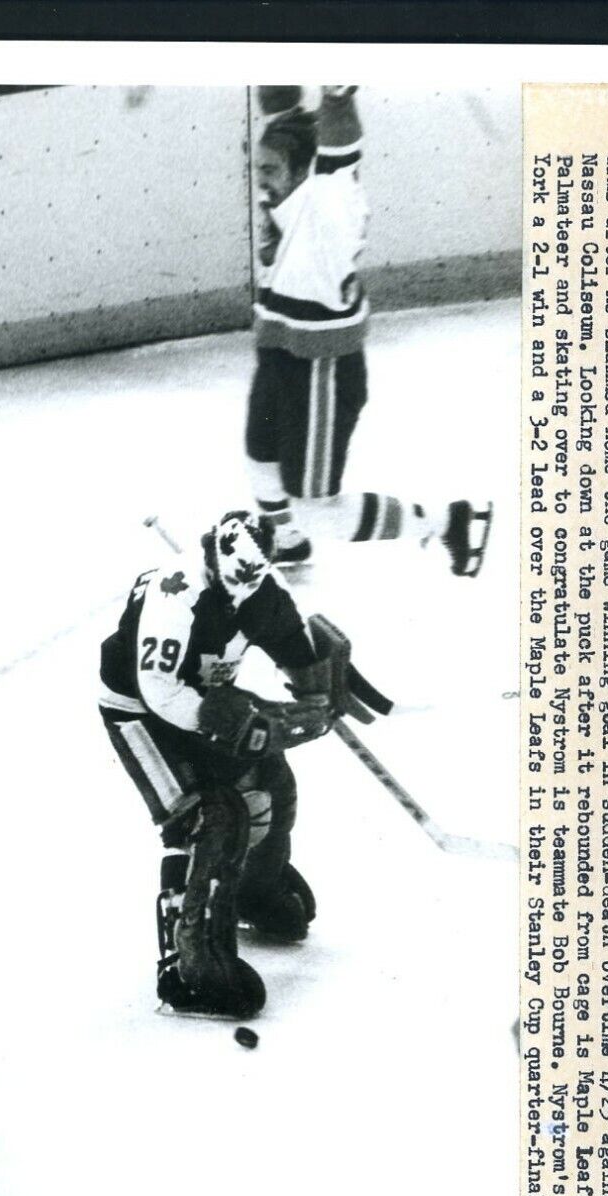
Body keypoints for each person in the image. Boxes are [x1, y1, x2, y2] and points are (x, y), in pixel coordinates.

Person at [99, 508, 362, 1021]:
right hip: (139, 713)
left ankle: (252, 891)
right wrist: (232, 721)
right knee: (205, 815)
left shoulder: (263, 584)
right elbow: (160, 691)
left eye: (253, 576)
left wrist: (318, 681)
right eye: (235, 574)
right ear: (214, 556)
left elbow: (291, 643)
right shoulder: (175, 596)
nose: (243, 585)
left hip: (206, 698)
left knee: (272, 781)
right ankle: (186, 965)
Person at [246, 85, 492, 577]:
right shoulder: (294, 190)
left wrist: (337, 97)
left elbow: (338, 147)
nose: (262, 182)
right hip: (282, 348)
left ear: (302, 172)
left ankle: (449, 522)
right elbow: (284, 111)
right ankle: (287, 541)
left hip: (320, 369)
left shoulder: (329, 201)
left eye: (270, 171)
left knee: (316, 506)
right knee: (260, 457)